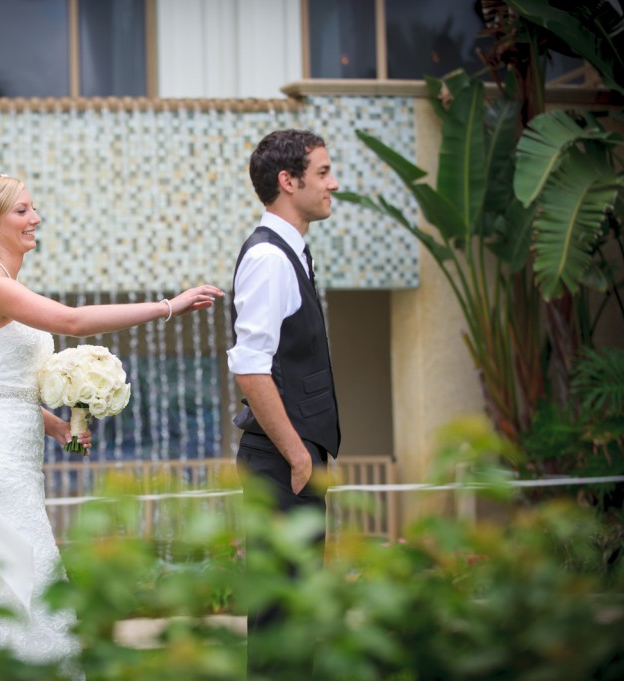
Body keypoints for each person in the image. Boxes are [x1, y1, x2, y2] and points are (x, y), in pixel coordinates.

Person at [0, 169, 223, 678]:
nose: (35, 218)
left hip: (18, 451)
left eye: (31, 208)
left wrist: (60, 427)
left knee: (12, 569)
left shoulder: (4, 285)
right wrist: (167, 306)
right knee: (25, 565)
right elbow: (70, 321)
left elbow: (6, 389)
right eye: (22, 210)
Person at [227, 129, 342, 676]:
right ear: (287, 181)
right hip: (281, 461)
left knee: (297, 618)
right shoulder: (270, 259)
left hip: (290, 459)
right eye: (322, 172)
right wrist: (299, 456)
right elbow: (251, 368)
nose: (332, 183)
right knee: (280, 622)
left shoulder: (291, 251)